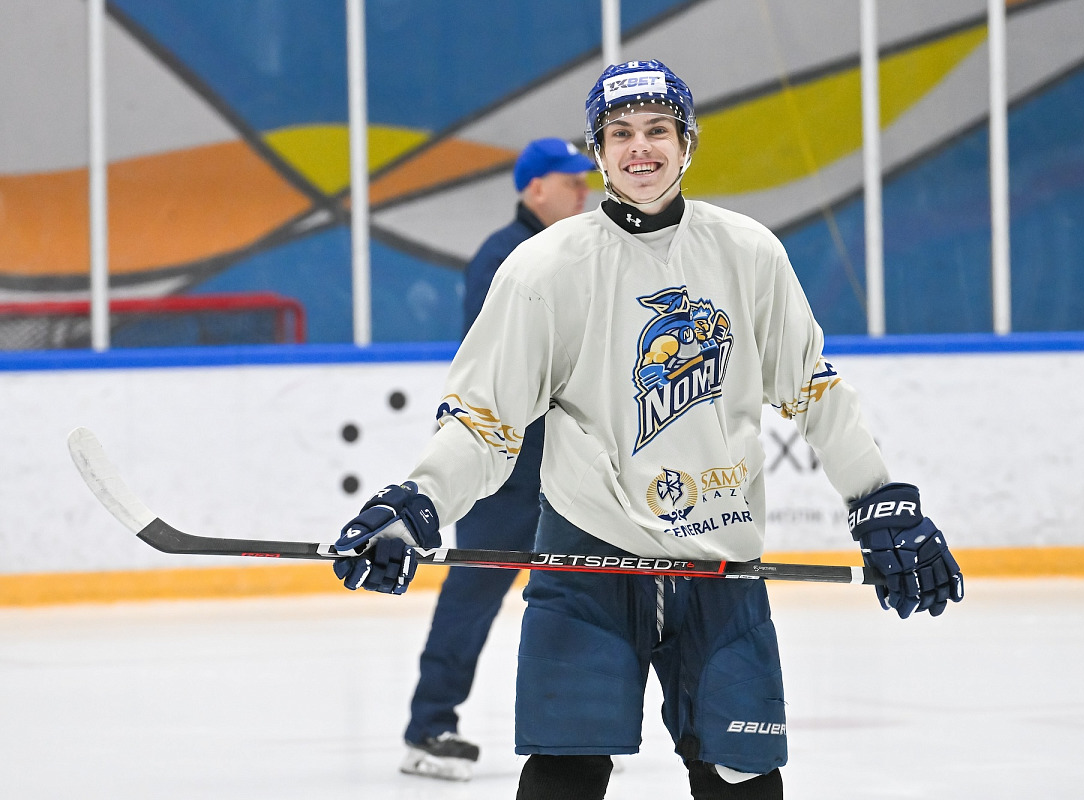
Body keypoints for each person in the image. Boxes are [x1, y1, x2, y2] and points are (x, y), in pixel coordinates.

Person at [331, 60, 964, 800]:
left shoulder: (748, 252)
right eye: (621, 132)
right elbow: (483, 423)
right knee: (565, 773)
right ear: (599, 151)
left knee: (744, 780)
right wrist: (420, 501)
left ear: (686, 142)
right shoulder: (543, 270)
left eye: (658, 129)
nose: (641, 147)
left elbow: (814, 390)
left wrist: (880, 499)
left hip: (720, 566)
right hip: (588, 565)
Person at [398, 137, 595, 781]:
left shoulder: (577, 250)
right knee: (475, 590)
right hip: (507, 465)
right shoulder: (503, 257)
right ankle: (429, 727)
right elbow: (506, 366)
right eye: (570, 181)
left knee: (578, 593)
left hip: (564, 463)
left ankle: (576, 730)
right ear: (534, 188)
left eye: (583, 180)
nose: (583, 191)